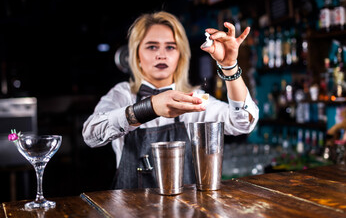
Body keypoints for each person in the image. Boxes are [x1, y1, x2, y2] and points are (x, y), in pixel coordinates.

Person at [82, 11, 259, 189]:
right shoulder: (122, 94)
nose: (161, 55)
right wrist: (148, 108)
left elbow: (243, 123)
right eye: (152, 47)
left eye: (170, 47)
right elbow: (91, 134)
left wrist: (229, 66)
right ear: (137, 56)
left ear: (180, 56)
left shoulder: (192, 99)